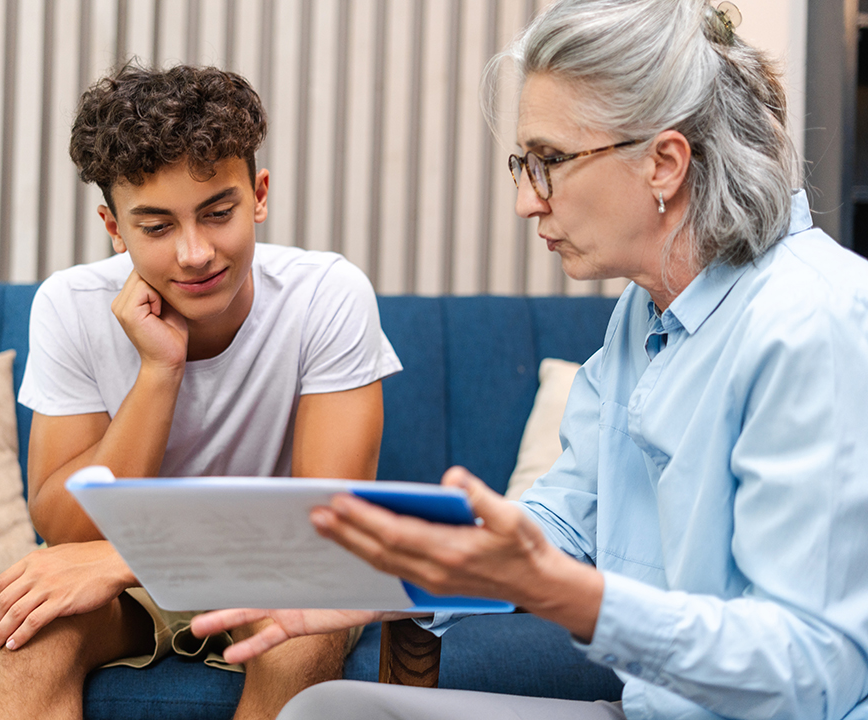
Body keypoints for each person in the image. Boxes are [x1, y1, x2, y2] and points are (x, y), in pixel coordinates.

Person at [190, 1, 868, 718]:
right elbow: (563, 521)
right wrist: (374, 572)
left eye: (548, 162)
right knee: (330, 711)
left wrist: (571, 598)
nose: (524, 201)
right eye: (523, 164)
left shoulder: (815, 322)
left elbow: (808, 668)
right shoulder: (646, 313)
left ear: (664, 163)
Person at [0, 63, 402, 720]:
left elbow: (332, 527)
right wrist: (159, 372)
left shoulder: (328, 294)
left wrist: (123, 555)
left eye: (219, 213)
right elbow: (65, 529)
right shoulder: (69, 304)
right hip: (128, 577)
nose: (194, 254)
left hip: (277, 570)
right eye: (156, 227)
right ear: (114, 226)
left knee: (303, 628)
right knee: (35, 630)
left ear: (260, 195)